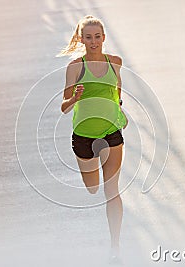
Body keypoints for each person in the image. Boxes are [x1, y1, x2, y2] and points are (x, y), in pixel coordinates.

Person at [58, 15, 127, 263]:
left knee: (111, 190)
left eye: (97, 36)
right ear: (81, 39)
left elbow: (117, 93)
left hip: (111, 133)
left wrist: (120, 112)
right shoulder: (75, 67)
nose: (93, 41)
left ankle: (115, 245)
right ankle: (91, 173)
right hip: (84, 137)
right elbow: (64, 107)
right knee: (93, 189)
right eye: (88, 37)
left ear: (104, 37)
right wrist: (76, 98)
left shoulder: (116, 62)